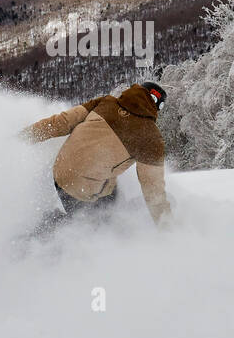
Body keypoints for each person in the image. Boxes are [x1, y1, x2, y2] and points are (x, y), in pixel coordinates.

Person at [20, 81, 172, 231]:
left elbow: (61, 122)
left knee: (113, 193)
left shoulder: (105, 102)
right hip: (83, 188)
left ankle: (72, 222)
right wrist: (167, 228)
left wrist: (23, 138)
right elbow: (152, 188)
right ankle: (51, 230)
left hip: (60, 172)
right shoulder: (151, 137)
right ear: (157, 106)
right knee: (97, 226)